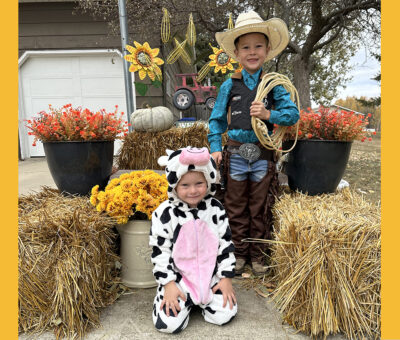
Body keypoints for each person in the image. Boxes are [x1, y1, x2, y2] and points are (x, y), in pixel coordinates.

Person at [208, 10, 300, 276]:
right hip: (235, 152)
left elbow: (292, 114)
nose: (252, 52)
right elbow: (216, 121)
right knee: (235, 204)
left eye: (258, 46)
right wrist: (215, 147)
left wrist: (268, 115)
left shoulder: (273, 85)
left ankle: (258, 256)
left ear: (267, 50)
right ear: (236, 53)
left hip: (262, 154)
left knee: (260, 205)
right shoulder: (229, 85)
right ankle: (238, 254)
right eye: (245, 47)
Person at [150, 147, 237, 334]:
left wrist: (226, 277)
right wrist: (168, 284)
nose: (193, 191)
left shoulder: (216, 209)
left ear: (209, 180)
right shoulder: (164, 213)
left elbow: (225, 245)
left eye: (199, 183)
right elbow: (160, 252)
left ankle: (204, 300)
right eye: (185, 185)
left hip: (209, 277)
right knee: (167, 325)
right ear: (174, 184)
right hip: (178, 280)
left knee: (225, 314)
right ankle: (180, 300)